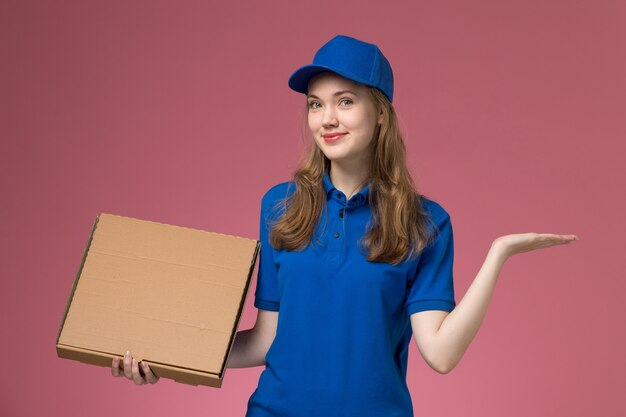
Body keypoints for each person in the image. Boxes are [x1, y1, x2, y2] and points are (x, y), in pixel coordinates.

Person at [112, 35, 578, 416]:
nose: (327, 119)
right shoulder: (280, 207)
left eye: (345, 101)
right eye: (316, 105)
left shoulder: (425, 224)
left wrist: (498, 254)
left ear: (380, 114)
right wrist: (168, 357)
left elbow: (440, 354)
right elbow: (267, 340)